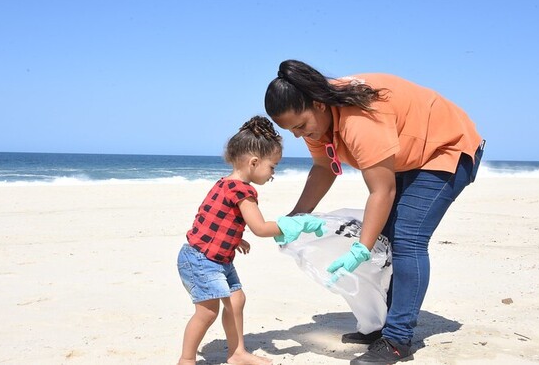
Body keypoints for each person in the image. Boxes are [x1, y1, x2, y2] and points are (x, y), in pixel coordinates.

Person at [264, 60, 484, 364]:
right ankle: (382, 324)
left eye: (301, 126)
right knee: (386, 238)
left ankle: (397, 339)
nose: (300, 136)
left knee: (407, 238)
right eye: (291, 132)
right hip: (408, 154)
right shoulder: (320, 120)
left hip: (445, 146)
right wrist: (296, 217)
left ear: (318, 104)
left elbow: (382, 191)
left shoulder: (359, 120)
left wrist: (361, 249)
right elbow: (324, 167)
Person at [176, 115, 326, 365]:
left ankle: (237, 354)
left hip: (214, 255)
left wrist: (234, 238)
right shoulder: (244, 191)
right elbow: (260, 227)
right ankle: (186, 359)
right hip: (202, 259)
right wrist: (296, 224)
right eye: (272, 167)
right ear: (254, 162)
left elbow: (210, 217)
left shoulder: (224, 184)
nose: (273, 174)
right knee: (207, 311)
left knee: (237, 299)